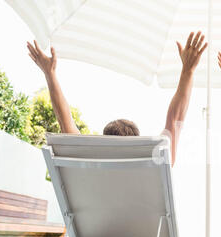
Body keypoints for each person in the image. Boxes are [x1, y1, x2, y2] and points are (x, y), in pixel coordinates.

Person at [27, 31, 208, 165]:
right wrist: (188, 70)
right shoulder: (152, 163)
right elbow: (175, 120)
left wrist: (50, 74)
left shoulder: (90, 161)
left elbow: (65, 121)